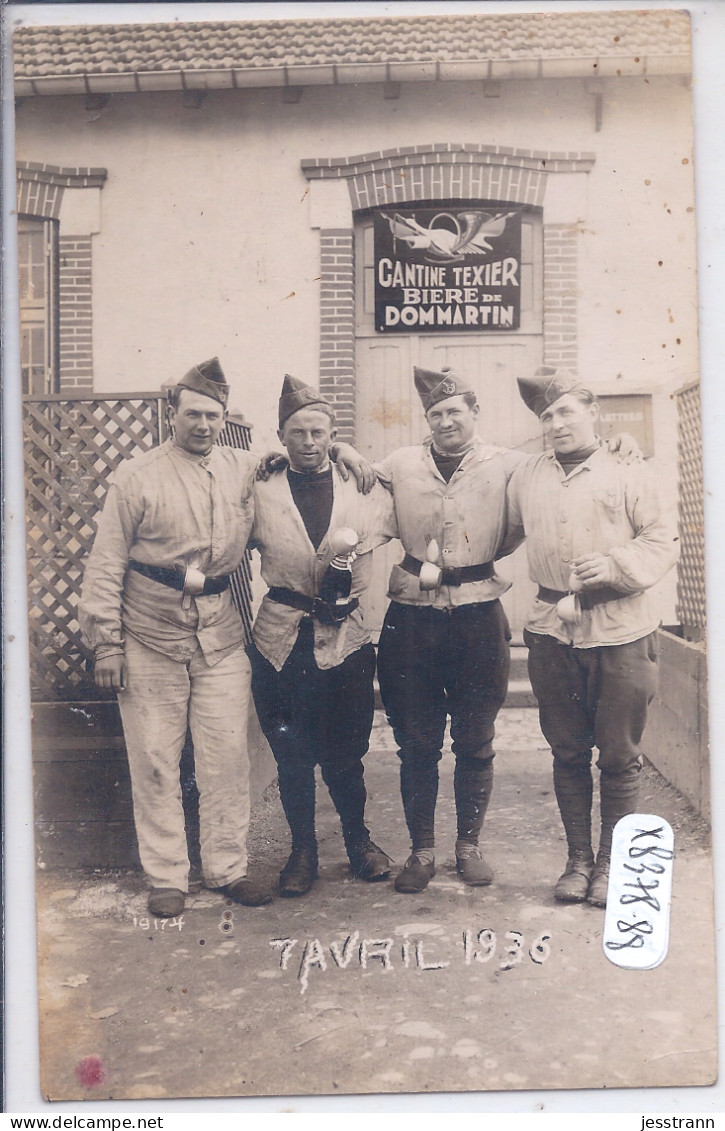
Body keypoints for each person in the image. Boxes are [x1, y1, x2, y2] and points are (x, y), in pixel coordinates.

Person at [79, 358, 273, 918]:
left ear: (223, 418)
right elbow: (106, 563)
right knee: (157, 758)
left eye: (213, 416)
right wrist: (107, 643)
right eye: (193, 414)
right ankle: (167, 876)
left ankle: (228, 868)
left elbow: (302, 459)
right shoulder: (135, 477)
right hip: (148, 634)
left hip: (219, 634)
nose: (203, 426)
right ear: (172, 413)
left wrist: (345, 452)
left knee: (227, 757)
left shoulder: (244, 467)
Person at [507, 367, 679, 907]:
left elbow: (661, 540)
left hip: (622, 629)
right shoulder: (527, 473)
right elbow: (482, 496)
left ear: (592, 413)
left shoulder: (629, 467)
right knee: (567, 751)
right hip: (553, 633)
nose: (555, 424)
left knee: (620, 755)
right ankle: (578, 861)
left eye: (565, 412)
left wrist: (611, 564)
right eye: (546, 416)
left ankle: (611, 863)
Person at [375, 366, 526, 894]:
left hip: (479, 613)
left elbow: (557, 478)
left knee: (475, 738)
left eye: (454, 412)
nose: (445, 422)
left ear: (474, 414)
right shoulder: (399, 465)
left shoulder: (509, 465)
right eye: (435, 414)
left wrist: (615, 444)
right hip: (411, 617)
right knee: (416, 743)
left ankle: (469, 845)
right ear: (427, 419)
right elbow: (354, 489)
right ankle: (421, 851)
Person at [247, 375, 393, 897]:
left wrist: (353, 452)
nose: (308, 443)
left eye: (318, 432)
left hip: (346, 636)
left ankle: (358, 841)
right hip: (281, 636)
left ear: (332, 435)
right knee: (291, 753)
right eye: (296, 433)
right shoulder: (259, 486)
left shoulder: (363, 483)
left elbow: (416, 493)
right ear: (280, 436)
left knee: (346, 750)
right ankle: (302, 850)